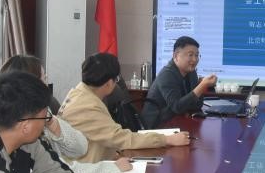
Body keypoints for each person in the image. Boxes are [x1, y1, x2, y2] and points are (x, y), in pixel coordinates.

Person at [0, 54, 131, 173]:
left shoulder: (41, 115)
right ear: (29, 87)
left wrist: (52, 122)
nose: (47, 85)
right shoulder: (24, 129)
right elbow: (59, 172)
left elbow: (80, 148)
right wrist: (113, 168)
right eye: (44, 79)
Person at [60, 52, 190, 162]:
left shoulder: (80, 93)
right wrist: (167, 139)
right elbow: (121, 138)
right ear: (109, 83)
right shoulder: (86, 106)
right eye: (116, 79)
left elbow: (102, 136)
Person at [140, 36, 217, 129]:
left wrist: (201, 86)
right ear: (176, 56)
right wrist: (202, 86)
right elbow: (177, 107)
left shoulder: (191, 72)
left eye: (197, 55)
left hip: (175, 121)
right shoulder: (167, 74)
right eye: (190, 55)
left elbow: (197, 105)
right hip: (156, 126)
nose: (195, 59)